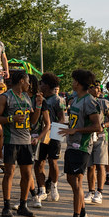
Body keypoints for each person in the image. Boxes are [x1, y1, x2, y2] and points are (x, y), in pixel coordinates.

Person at [0, 70, 42, 217]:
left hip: (26, 141)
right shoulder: (5, 97)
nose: (29, 85)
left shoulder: (26, 97)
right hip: (11, 140)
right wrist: (11, 119)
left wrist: (38, 106)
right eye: (27, 82)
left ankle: (23, 205)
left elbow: (33, 121)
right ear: (21, 81)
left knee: (27, 174)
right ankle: (6, 206)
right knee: (9, 173)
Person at [59, 69, 102, 217]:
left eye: (73, 80)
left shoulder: (90, 101)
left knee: (77, 182)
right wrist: (66, 127)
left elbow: (97, 127)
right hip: (72, 144)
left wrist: (75, 130)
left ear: (78, 82)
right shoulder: (76, 99)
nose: (72, 83)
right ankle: (83, 215)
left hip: (82, 146)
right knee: (71, 179)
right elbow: (77, 122)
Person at [34, 72, 64, 205]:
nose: (39, 85)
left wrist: (53, 130)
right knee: (39, 162)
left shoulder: (57, 100)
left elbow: (62, 118)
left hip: (54, 133)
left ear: (46, 85)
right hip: (40, 133)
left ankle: (54, 185)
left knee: (53, 161)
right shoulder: (39, 98)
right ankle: (42, 189)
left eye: (41, 83)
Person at [86, 83, 109, 205]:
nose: (98, 90)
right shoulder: (84, 101)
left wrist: (104, 125)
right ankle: (91, 191)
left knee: (100, 165)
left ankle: (99, 192)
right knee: (90, 166)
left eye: (99, 88)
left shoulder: (104, 103)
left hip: (101, 136)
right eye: (95, 87)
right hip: (87, 136)